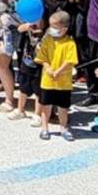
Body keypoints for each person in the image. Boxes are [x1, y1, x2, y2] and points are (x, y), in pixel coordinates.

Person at [35, 10, 78, 141]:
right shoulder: (47, 40)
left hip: (63, 83)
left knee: (63, 108)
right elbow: (42, 57)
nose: (51, 29)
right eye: (50, 26)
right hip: (47, 80)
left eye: (54, 27)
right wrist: (48, 68)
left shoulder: (70, 43)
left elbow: (70, 61)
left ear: (64, 29)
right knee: (46, 106)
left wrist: (58, 71)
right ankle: (44, 128)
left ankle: (63, 128)